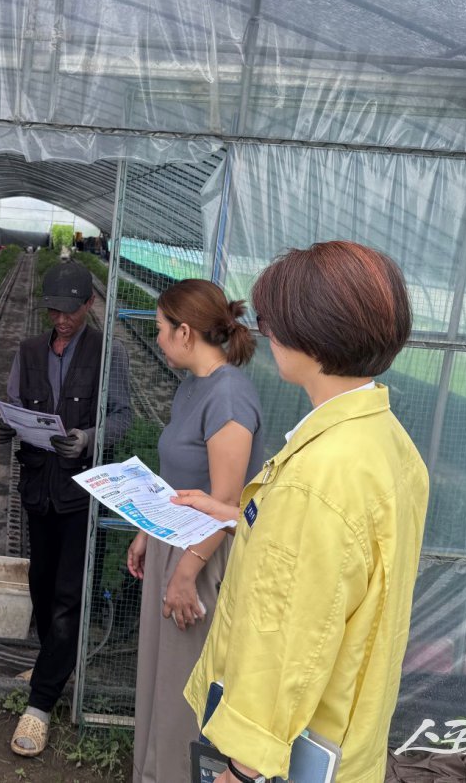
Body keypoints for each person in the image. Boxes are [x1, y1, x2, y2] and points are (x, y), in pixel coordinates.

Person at [180, 241, 429, 783]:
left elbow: (285, 637)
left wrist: (242, 771)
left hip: (285, 762)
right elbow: (335, 570)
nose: (266, 334)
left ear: (310, 335)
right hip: (347, 739)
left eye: (272, 322)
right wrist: (231, 513)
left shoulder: (321, 476)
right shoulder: (386, 440)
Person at [0, 260, 132, 758]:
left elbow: (122, 416)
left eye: (70, 310)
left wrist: (89, 438)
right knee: (42, 583)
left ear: (88, 305)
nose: (62, 319)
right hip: (38, 489)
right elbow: (13, 403)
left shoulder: (106, 353)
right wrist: (5, 426)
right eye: (54, 310)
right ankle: (54, 659)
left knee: (70, 593)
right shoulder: (29, 351)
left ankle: (40, 706)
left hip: (79, 493)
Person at [126, 279, 265, 783]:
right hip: (173, 544)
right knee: (161, 675)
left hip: (202, 559)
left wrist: (186, 573)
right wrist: (147, 530)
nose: (157, 338)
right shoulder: (193, 385)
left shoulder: (228, 396)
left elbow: (227, 502)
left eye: (161, 329)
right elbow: (184, 474)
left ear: (185, 332)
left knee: (185, 685)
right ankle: (151, 771)